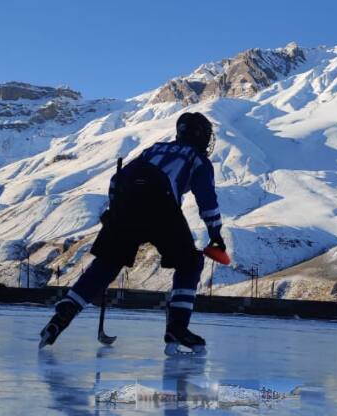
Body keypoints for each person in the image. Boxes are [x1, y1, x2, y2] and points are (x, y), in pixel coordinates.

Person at [39, 112, 225, 356]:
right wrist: (215, 233)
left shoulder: (154, 150)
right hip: (161, 204)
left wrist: (114, 210)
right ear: (201, 136)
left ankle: (65, 312)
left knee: (107, 264)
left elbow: (118, 179)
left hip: (127, 204)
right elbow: (206, 199)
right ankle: (177, 329)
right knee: (190, 263)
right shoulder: (197, 158)